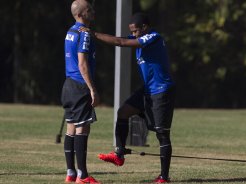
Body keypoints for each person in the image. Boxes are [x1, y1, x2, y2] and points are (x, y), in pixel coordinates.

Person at [81, 12, 175, 183]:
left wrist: (92, 33)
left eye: (135, 31)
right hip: (147, 90)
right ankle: (119, 154)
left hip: (162, 91)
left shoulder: (153, 36)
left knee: (162, 134)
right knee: (123, 112)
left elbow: (121, 42)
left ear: (145, 28)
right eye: (131, 32)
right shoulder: (140, 37)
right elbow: (117, 39)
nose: (132, 35)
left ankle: (164, 177)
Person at [61, 0, 100, 183]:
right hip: (79, 85)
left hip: (68, 85)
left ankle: (70, 173)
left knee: (71, 129)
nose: (93, 11)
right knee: (82, 129)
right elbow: (82, 64)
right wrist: (92, 89)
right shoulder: (84, 34)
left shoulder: (70, 31)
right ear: (81, 14)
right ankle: (83, 175)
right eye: (89, 9)